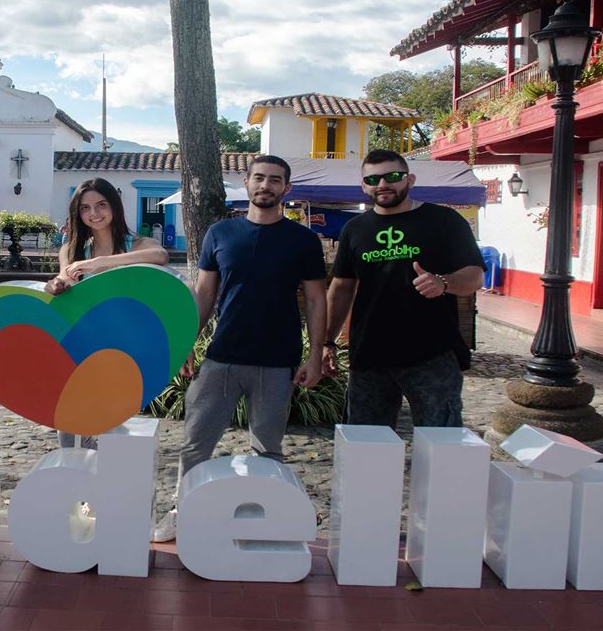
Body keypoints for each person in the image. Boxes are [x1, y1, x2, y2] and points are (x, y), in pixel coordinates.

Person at [152, 156, 327, 542]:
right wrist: (186, 343)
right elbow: (204, 293)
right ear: (246, 183)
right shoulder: (220, 233)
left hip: (277, 362)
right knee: (195, 445)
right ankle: (183, 511)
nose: (266, 185)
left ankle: (261, 519)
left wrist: (315, 355)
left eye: (275, 180)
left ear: (287, 189)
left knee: (267, 450)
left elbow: (316, 300)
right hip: (221, 358)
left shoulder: (303, 240)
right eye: (259, 178)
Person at [323, 150, 486, 430]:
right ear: (363, 186)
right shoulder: (355, 229)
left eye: (393, 176)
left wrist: (443, 282)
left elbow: (474, 276)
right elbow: (341, 288)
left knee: (441, 439)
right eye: (373, 179)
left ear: (409, 179)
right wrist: (327, 342)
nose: (382, 184)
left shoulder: (444, 221)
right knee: (366, 443)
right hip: (370, 353)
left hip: (431, 352)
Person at [44, 177, 170, 449]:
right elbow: (62, 280)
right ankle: (76, 482)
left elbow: (160, 255)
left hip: (122, 348)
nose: (94, 214)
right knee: (69, 425)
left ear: (114, 206)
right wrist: (55, 285)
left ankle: (110, 485)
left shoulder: (136, 244)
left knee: (113, 426)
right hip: (80, 344)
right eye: (85, 208)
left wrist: (100, 262)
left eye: (101, 205)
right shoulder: (72, 248)